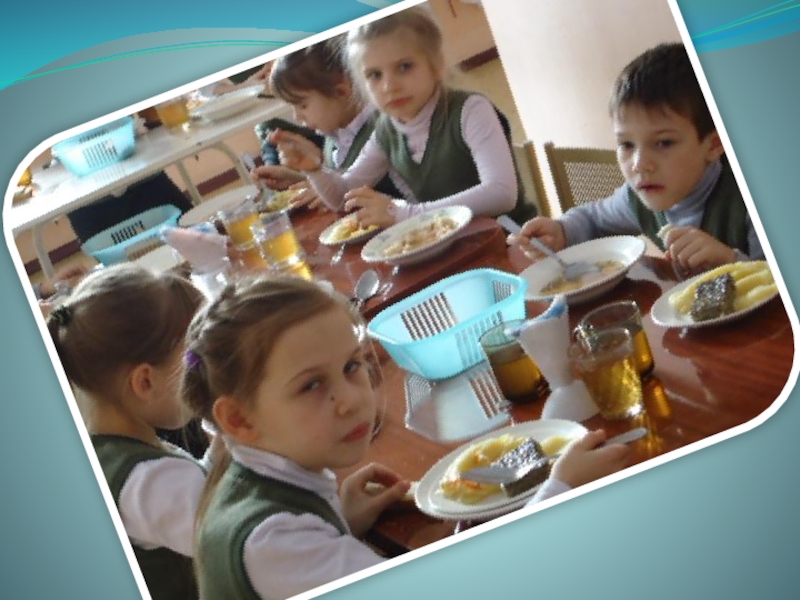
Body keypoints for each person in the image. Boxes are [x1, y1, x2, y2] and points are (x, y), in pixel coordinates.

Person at [180, 273, 627, 598]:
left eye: (351, 365)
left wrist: (339, 521)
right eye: (311, 385)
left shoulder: (254, 478)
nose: (351, 400)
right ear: (239, 420)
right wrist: (560, 489)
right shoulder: (274, 542)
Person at [268, 6, 537, 228]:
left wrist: (407, 213)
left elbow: (501, 194)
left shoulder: (470, 110)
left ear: (435, 63)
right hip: (453, 248)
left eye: (404, 67)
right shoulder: (388, 129)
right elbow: (343, 197)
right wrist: (314, 170)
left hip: (511, 243)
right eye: (375, 75)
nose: (389, 86)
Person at [509, 42, 763, 276]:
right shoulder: (638, 198)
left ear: (714, 144)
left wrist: (731, 262)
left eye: (664, 143)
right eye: (627, 145)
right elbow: (593, 219)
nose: (640, 164)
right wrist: (560, 232)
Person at [47, 263, 207, 600]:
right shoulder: (153, 481)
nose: (209, 377)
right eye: (197, 363)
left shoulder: (110, 452)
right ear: (145, 382)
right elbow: (252, 547)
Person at [252, 36, 401, 211]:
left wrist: (318, 181)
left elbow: (387, 194)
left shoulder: (381, 128)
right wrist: (300, 179)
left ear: (341, 92)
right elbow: (344, 185)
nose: (297, 117)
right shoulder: (334, 137)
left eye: (302, 105)